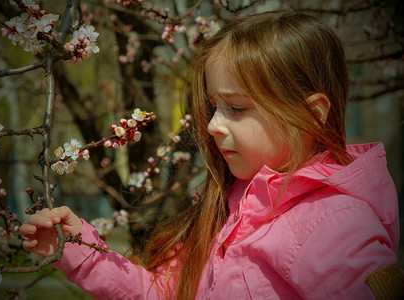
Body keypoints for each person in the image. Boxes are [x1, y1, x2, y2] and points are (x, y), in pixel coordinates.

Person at [20, 11, 401, 299]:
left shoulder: (335, 225)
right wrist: (82, 252)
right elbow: (166, 292)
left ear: (311, 114)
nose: (214, 125)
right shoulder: (230, 208)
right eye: (214, 106)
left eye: (236, 108)